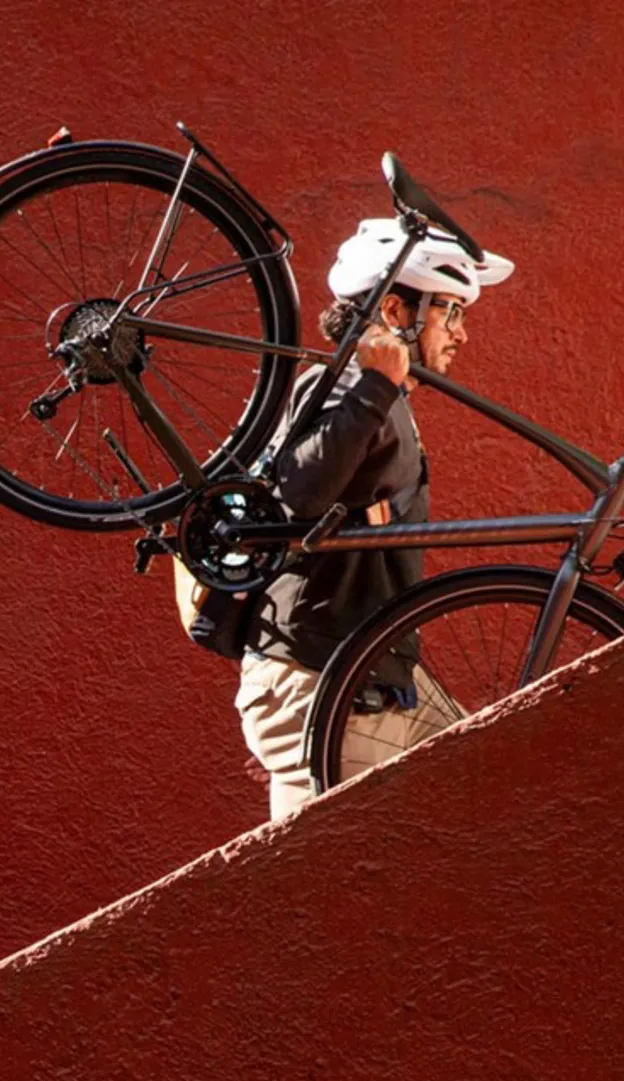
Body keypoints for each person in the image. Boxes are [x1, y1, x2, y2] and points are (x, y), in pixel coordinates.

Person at [235, 217, 514, 820]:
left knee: (484, 795)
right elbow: (297, 493)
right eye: (451, 312)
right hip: (324, 676)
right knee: (329, 868)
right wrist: (374, 389)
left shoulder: (380, 395)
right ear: (394, 310)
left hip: (373, 672)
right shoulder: (346, 386)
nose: (461, 333)